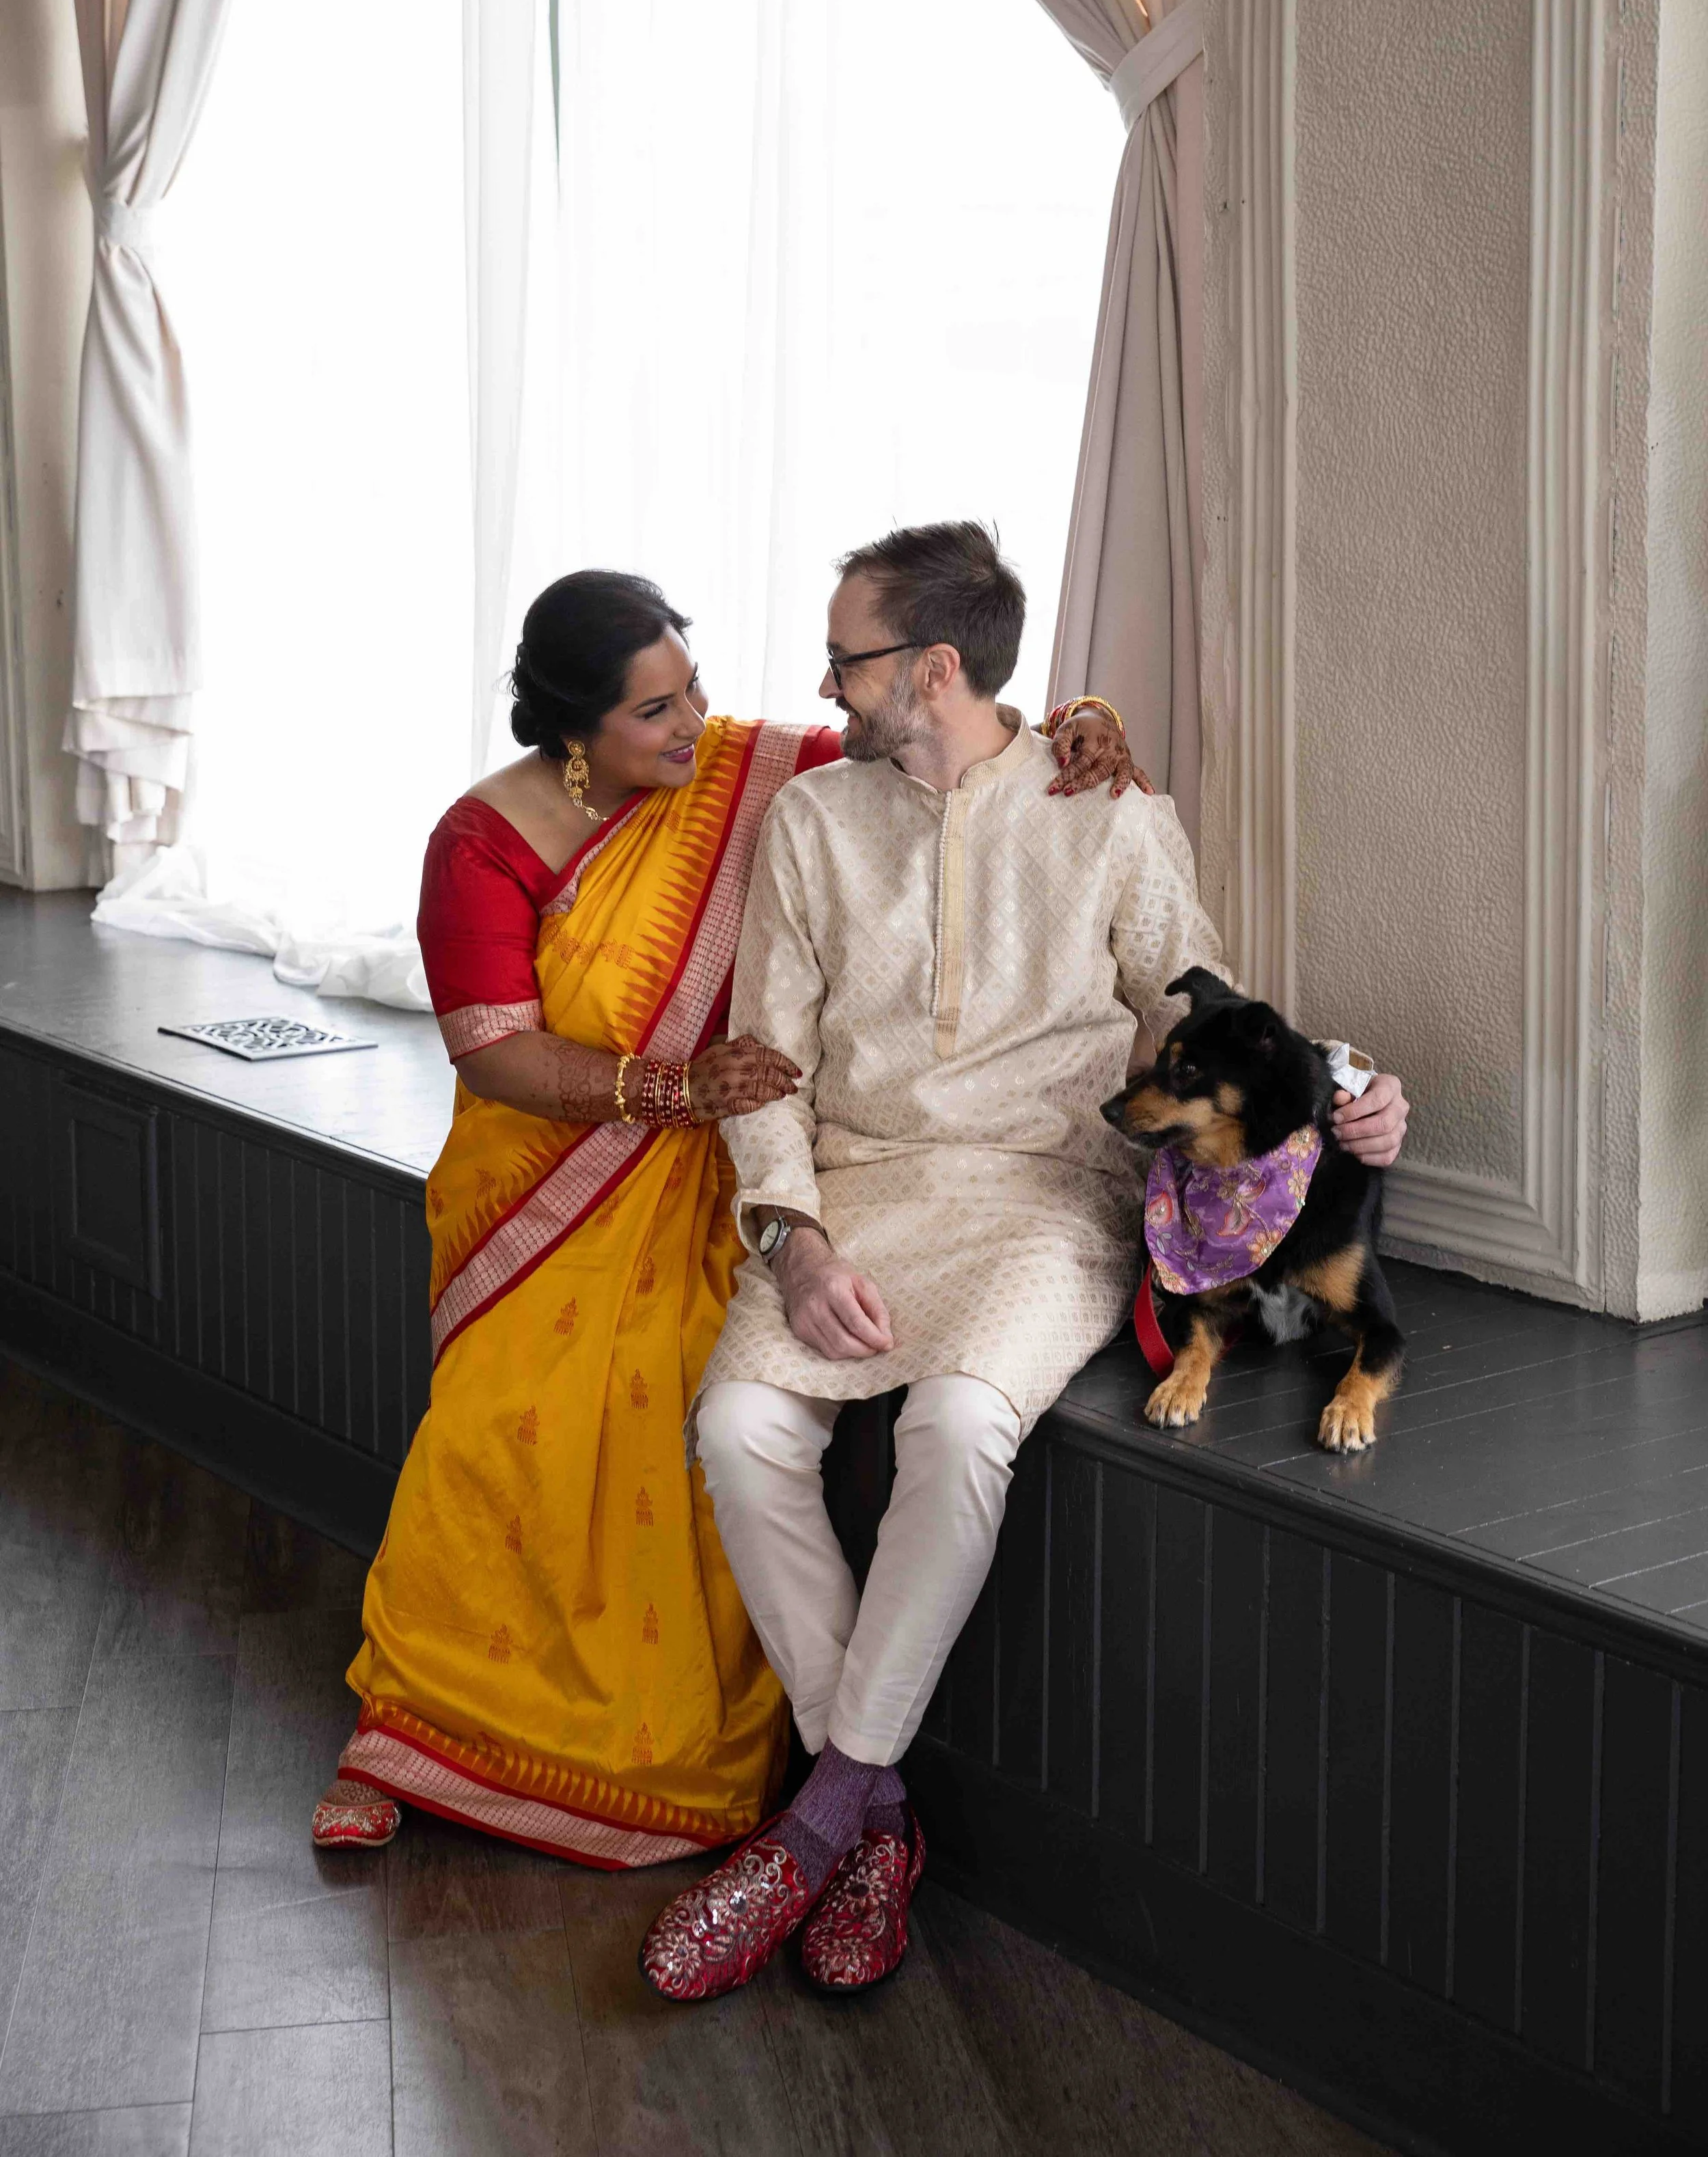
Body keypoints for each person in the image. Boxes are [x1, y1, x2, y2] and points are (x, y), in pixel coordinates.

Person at [639, 522, 1409, 1992]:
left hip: (1044, 1197)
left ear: (931, 666)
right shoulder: (810, 824)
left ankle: (811, 1830)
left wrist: (1351, 1082)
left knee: (957, 1425)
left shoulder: (1106, 817)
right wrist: (793, 1247)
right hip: (852, 1195)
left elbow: (1204, 1019)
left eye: (847, 653)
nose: (825, 678)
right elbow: (766, 1070)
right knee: (736, 1431)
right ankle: (863, 1815)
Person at [311, 566, 1140, 1865]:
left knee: (680, 1410)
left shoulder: (742, 777)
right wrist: (671, 1087)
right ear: (576, 734)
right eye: (655, 711)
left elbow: (936, 741)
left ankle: (763, 1782)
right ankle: (413, 1722)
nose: (694, 722)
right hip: (554, 1186)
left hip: (724, 1184)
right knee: (492, 1433)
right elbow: (491, 1053)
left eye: (692, 685)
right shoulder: (478, 843)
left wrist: (1075, 713)